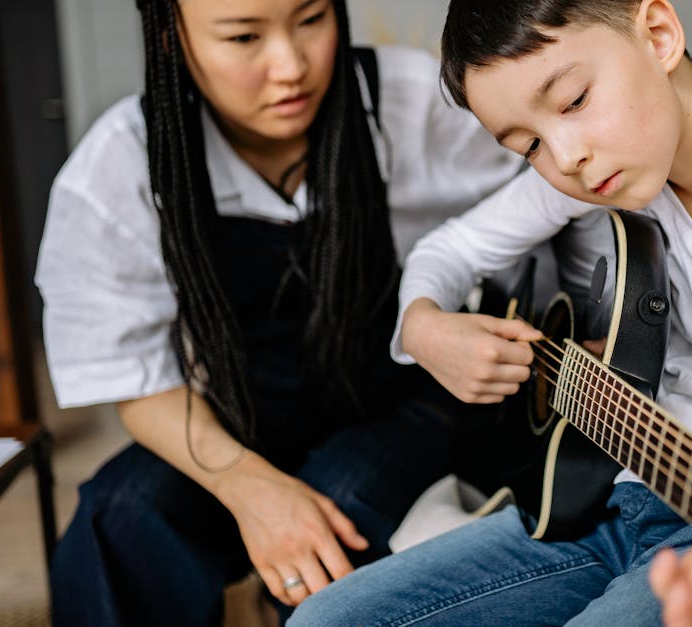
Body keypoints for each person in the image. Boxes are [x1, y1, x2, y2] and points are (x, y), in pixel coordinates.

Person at [288, 0, 692, 625]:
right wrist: (422, 326)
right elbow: (448, 250)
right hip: (608, 498)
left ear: (660, 35)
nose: (565, 159)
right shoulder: (614, 164)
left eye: (573, 102)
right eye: (528, 144)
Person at [34, 0, 522, 624]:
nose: (291, 66)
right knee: (121, 515)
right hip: (237, 414)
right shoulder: (120, 165)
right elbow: (136, 377)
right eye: (243, 37)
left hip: (402, 398)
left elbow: (549, 187)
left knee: (339, 508)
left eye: (312, 19)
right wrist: (250, 487)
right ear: (168, 36)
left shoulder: (413, 103)